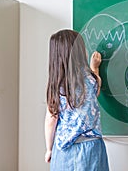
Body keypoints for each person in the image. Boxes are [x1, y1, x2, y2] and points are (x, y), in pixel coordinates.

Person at [44, 29, 109, 170]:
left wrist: (49, 149)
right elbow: (95, 89)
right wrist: (94, 68)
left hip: (66, 148)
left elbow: (51, 119)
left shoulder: (57, 86)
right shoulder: (91, 80)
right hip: (93, 148)